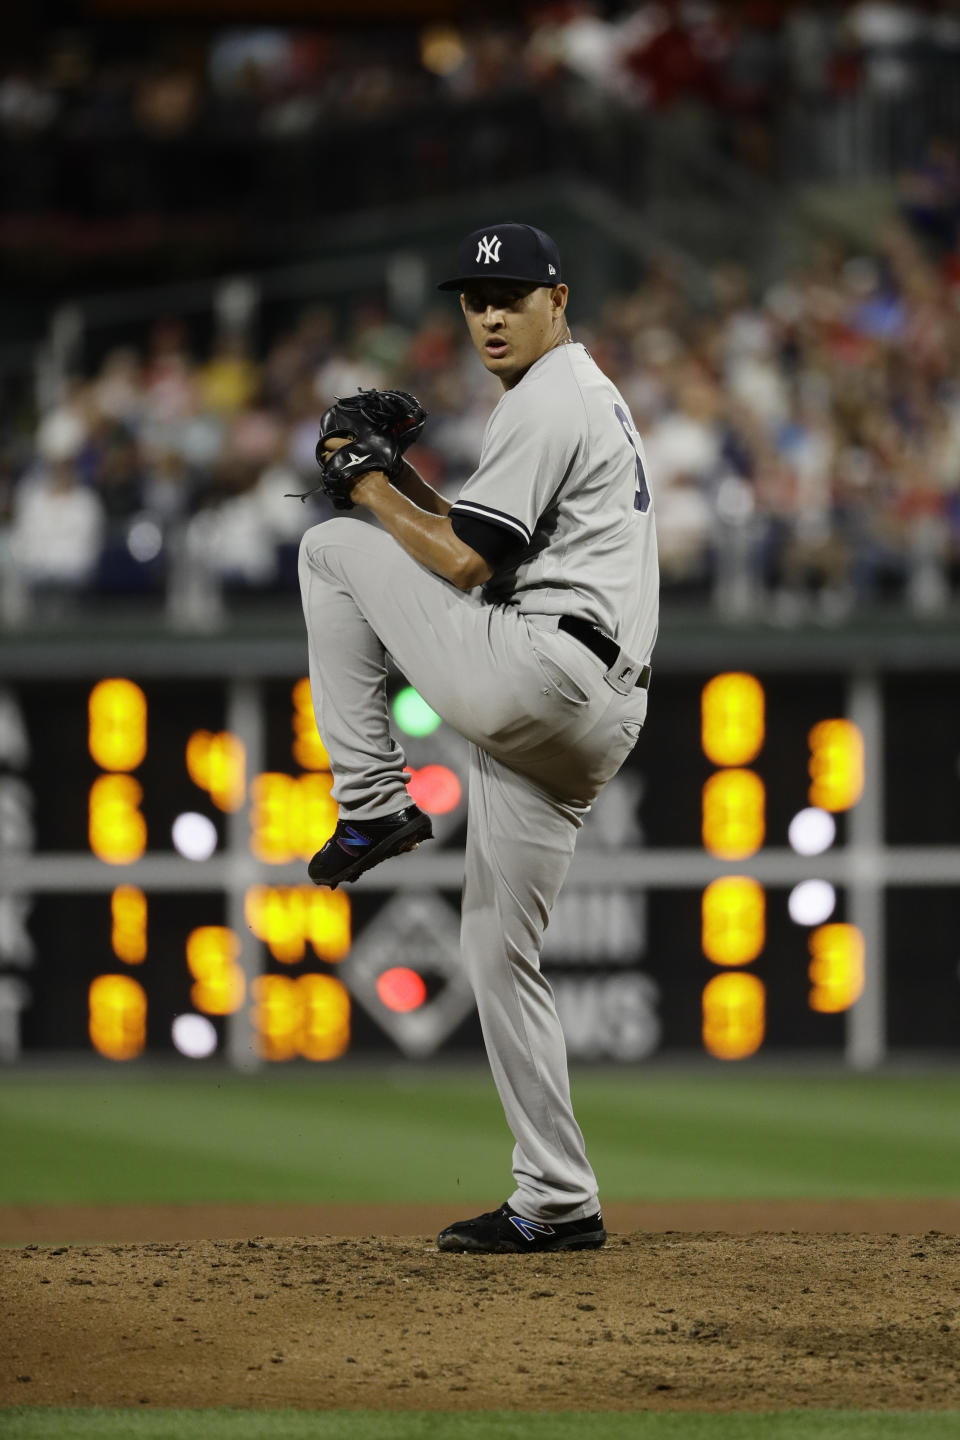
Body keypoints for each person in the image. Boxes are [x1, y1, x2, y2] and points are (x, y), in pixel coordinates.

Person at [298, 223, 659, 1254]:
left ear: (559, 299)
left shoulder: (548, 396)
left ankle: (370, 802)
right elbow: (485, 553)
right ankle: (557, 1198)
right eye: (474, 298)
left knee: (330, 549)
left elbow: (461, 570)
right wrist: (399, 483)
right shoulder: (581, 396)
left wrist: (366, 484)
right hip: (588, 712)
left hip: (538, 674)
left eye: (511, 294)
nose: (491, 314)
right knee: (498, 951)